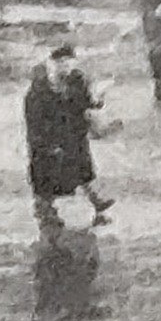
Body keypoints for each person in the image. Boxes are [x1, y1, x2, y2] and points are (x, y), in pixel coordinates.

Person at [21, 43, 114, 231]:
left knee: (82, 168)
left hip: (73, 134)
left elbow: (87, 103)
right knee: (45, 176)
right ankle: (45, 210)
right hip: (48, 139)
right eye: (59, 62)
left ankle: (96, 201)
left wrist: (98, 99)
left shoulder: (77, 81)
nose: (64, 66)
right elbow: (35, 122)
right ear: (50, 64)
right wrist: (47, 143)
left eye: (67, 62)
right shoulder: (38, 91)